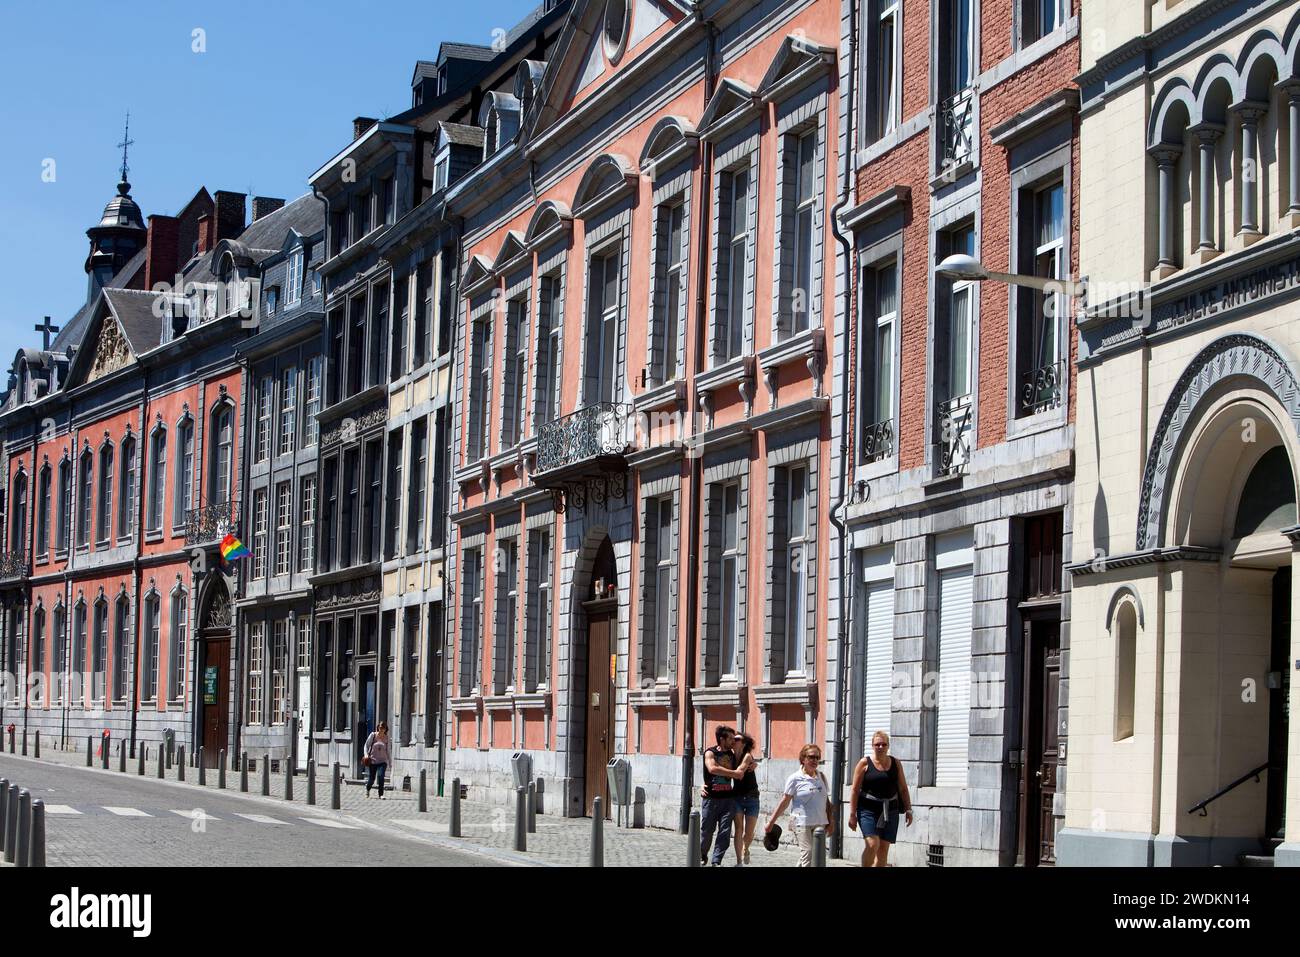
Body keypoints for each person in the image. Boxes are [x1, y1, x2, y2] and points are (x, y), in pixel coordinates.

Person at [848, 730, 912, 866]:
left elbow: (903, 789)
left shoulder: (896, 763)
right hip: (867, 809)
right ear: (872, 746)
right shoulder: (864, 763)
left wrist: (909, 809)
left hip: (891, 810)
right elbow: (854, 790)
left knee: (883, 849)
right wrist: (852, 814)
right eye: (877, 744)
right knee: (872, 843)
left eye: (884, 744)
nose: (880, 747)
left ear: (888, 746)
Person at [764, 743, 833, 867]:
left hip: (820, 822)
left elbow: (826, 801)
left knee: (814, 854)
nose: (815, 760)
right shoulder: (795, 778)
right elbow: (784, 801)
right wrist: (771, 822)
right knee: (808, 852)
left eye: (817, 758)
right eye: (811, 757)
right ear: (803, 758)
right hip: (801, 822)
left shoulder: (821, 777)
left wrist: (831, 821)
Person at [700, 725, 747, 866]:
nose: (733, 741)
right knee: (707, 830)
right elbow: (712, 768)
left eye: (734, 738)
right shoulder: (710, 752)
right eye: (731, 738)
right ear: (722, 739)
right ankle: (702, 854)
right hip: (711, 799)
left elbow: (747, 754)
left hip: (728, 800)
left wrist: (751, 765)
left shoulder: (733, 755)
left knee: (725, 832)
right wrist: (734, 774)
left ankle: (716, 861)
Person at [730, 733, 761, 866]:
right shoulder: (729, 756)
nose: (733, 740)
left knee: (748, 833)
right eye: (732, 738)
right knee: (738, 829)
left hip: (752, 798)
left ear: (743, 743)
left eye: (737, 739)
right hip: (736, 797)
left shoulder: (747, 756)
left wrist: (754, 763)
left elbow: (740, 772)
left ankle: (746, 848)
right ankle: (738, 862)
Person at [363, 720, 391, 799]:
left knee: (381, 776)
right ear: (378, 727)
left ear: (386, 729)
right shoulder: (373, 735)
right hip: (373, 761)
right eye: (380, 727)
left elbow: (388, 750)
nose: (381, 729)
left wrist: (390, 762)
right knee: (372, 779)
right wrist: (366, 755)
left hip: (383, 761)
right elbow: (366, 745)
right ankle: (368, 789)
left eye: (383, 728)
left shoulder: (386, 738)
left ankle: (381, 794)